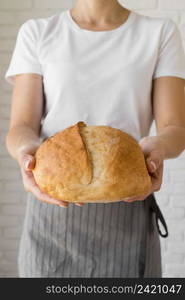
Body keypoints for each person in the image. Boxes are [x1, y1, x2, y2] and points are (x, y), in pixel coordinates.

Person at [5, 0, 185, 278]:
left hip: (128, 209)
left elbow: (174, 128)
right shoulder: (38, 32)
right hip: (52, 213)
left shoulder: (159, 32)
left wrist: (159, 147)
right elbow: (21, 127)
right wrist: (26, 152)